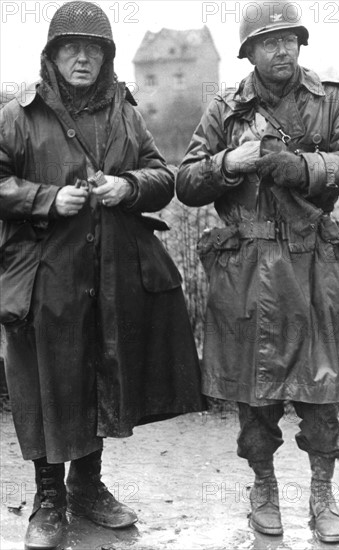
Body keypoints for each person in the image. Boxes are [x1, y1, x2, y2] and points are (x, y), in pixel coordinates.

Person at [0, 2, 204, 548]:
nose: (83, 57)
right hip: (43, 276)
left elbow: (163, 175)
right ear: (52, 55)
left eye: (94, 49)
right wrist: (45, 198)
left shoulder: (125, 113)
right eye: (71, 48)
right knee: (44, 383)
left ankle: (87, 488)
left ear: (108, 57)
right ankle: (48, 500)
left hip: (110, 273)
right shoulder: (18, 114)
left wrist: (129, 186)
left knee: (97, 375)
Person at [176, 0, 339, 543]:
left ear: (301, 44)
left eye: (289, 39)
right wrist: (225, 165)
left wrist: (306, 166)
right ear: (250, 52)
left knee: (321, 390)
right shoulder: (224, 111)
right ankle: (263, 486)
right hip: (246, 271)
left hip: (314, 266)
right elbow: (186, 183)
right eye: (269, 41)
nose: (281, 49)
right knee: (253, 394)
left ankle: (323, 492)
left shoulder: (330, 101)